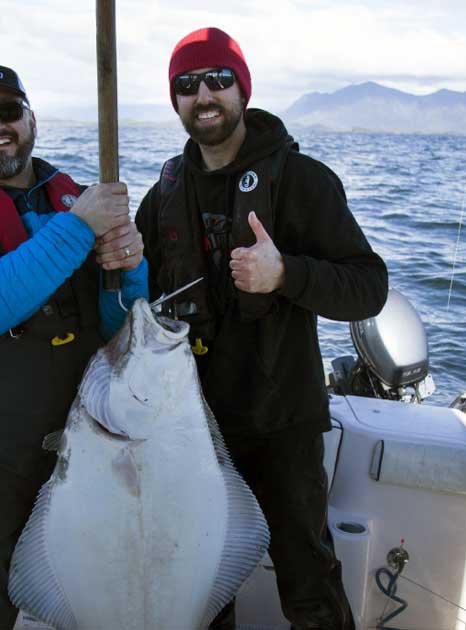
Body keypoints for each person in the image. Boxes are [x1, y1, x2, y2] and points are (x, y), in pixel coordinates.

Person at [134, 28, 389, 629]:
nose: (204, 95)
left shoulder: (303, 181)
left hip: (282, 425)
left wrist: (285, 273)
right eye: (187, 84)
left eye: (218, 79)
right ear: (175, 100)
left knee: (308, 583)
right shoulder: (165, 192)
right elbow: (135, 295)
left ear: (242, 90)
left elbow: (368, 287)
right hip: (191, 428)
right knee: (200, 586)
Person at [0, 62, 148, 629]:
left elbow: (117, 326)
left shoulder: (75, 201)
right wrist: (80, 228)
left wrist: (132, 266)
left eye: (8, 111)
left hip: (85, 443)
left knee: (89, 596)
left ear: (31, 119)